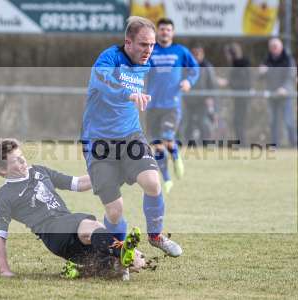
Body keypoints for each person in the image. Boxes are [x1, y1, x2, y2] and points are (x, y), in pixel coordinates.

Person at [81, 16, 182, 257]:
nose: (149, 50)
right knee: (115, 211)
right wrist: (128, 94)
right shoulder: (109, 58)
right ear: (128, 42)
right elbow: (103, 81)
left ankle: (156, 236)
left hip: (130, 137)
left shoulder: (147, 63)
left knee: (153, 182)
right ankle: (120, 254)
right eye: (143, 44)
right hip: (98, 143)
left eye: (152, 45)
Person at [0, 138, 145, 279]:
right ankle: (122, 249)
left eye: (22, 157)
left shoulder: (39, 171)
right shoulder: (4, 196)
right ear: (3, 170)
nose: (23, 162)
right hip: (52, 232)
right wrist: (4, 270)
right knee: (94, 226)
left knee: (113, 264)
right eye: (17, 161)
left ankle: (82, 269)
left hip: (69, 231)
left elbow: (78, 183)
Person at [146, 18, 199, 194]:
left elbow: (195, 69)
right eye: (162, 30)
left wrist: (188, 81)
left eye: (168, 30)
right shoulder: (150, 51)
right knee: (157, 145)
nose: (165, 32)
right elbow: (138, 70)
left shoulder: (180, 51)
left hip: (172, 104)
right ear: (157, 32)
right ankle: (167, 179)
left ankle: (176, 157)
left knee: (167, 137)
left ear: (172, 32)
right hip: (153, 105)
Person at [260, 38, 296, 147]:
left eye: (276, 46)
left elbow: (290, 75)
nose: (274, 49)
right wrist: (261, 72)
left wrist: (284, 88)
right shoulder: (267, 59)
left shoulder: (288, 59)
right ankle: (274, 145)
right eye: (272, 47)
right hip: (272, 95)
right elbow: (260, 76)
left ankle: (293, 144)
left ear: (280, 47)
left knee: (288, 120)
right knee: (273, 122)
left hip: (285, 94)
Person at [182, 45, 219, 145]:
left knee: (202, 122)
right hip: (188, 100)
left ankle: (205, 144)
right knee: (187, 123)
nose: (196, 56)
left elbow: (212, 85)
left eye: (198, 54)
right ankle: (187, 144)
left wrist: (210, 99)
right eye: (194, 54)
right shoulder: (186, 66)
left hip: (202, 100)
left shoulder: (207, 67)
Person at [224, 43, 251, 147]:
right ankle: (240, 142)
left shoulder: (243, 64)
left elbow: (244, 82)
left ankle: (243, 144)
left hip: (243, 98)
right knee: (236, 120)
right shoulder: (236, 64)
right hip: (238, 98)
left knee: (240, 121)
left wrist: (228, 83)